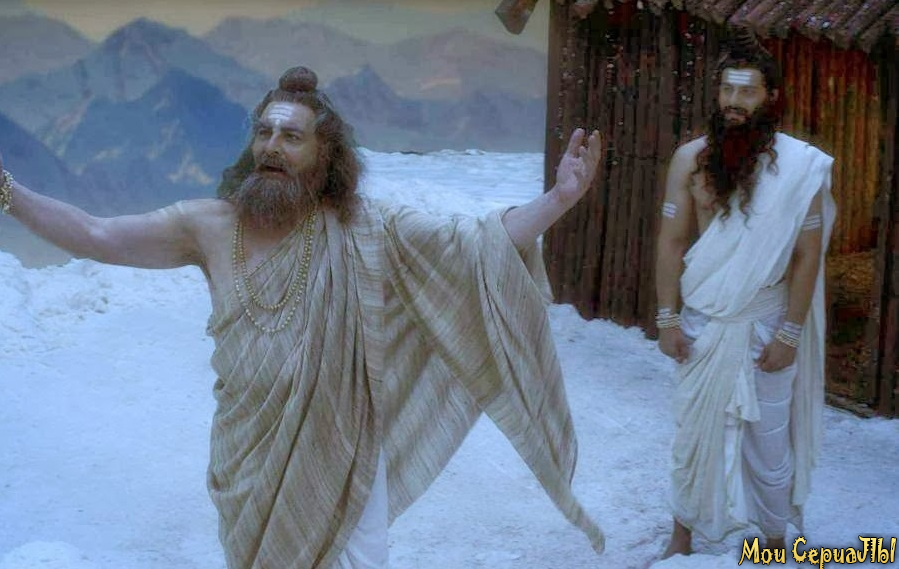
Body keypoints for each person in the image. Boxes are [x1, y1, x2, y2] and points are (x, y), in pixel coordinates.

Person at [0, 66, 605, 569]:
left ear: (324, 155)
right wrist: (7, 190)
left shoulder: (366, 228)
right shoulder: (207, 225)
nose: (272, 147)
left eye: (292, 137)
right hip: (248, 457)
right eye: (264, 133)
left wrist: (559, 199)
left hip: (343, 455)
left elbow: (475, 244)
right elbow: (95, 234)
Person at [654, 32, 835, 557]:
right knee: (693, 431)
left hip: (766, 318)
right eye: (727, 91)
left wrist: (790, 333)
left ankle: (774, 541)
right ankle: (682, 536)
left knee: (769, 440)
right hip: (702, 320)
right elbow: (671, 241)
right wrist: (666, 318)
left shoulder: (800, 169)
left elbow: (806, 256)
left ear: (770, 97)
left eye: (747, 92)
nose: (734, 103)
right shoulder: (690, 160)